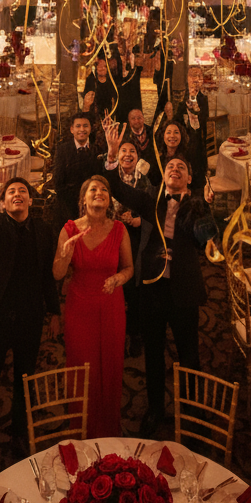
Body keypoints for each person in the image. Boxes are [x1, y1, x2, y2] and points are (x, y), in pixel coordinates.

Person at [103, 121, 215, 438]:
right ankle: (155, 409)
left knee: (189, 354)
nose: (175, 169)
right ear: (163, 175)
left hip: (183, 290)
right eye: (171, 167)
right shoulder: (151, 198)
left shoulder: (195, 204)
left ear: (189, 178)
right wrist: (112, 156)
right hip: (152, 288)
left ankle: (193, 412)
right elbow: (119, 189)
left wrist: (205, 205)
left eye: (181, 167)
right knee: (153, 354)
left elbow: (206, 238)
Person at [0, 177, 60, 480]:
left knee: (24, 380)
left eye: (22, 192)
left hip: (30, 316)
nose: (17, 195)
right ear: (4, 203)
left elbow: (46, 274)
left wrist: (54, 310)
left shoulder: (43, 231)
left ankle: (19, 434)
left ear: (30, 200)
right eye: (11, 193)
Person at [53, 175, 134, 437]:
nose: (99, 192)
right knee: (82, 366)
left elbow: (129, 267)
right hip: (80, 307)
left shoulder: (120, 230)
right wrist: (65, 255)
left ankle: (109, 426)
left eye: (103, 190)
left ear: (109, 199)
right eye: (92, 189)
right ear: (83, 199)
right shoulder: (69, 230)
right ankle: (81, 428)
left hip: (111, 306)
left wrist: (119, 278)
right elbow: (56, 274)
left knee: (110, 366)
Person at [107, 138, 154, 356]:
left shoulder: (146, 181)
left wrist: (137, 219)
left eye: (132, 151)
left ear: (138, 156)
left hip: (136, 240)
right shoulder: (109, 180)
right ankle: (112, 332)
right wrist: (114, 218)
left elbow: (152, 212)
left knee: (133, 288)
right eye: (123, 151)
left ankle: (135, 333)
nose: (127, 154)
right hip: (110, 236)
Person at [53, 112, 99, 224]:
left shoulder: (97, 150)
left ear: (91, 129)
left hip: (92, 203)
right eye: (78, 126)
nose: (82, 129)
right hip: (68, 203)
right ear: (72, 129)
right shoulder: (62, 150)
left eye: (85, 126)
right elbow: (58, 183)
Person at [149, 119, 207, 196]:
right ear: (163, 136)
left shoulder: (189, 157)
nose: (172, 136)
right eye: (168, 132)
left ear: (181, 136)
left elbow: (198, 182)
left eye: (176, 132)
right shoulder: (158, 159)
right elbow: (154, 183)